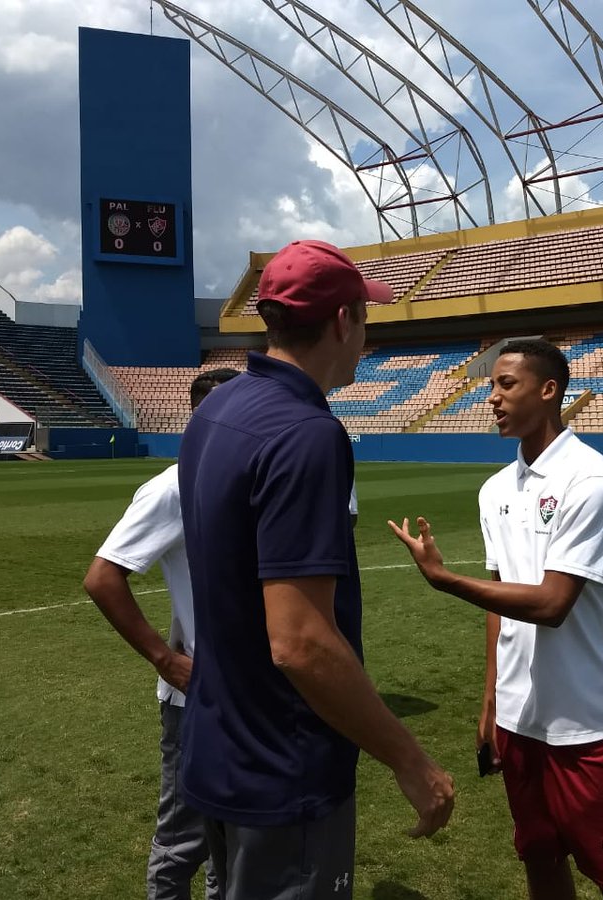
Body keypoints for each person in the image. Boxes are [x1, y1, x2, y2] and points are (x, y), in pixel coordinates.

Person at [177, 239, 455, 899]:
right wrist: (412, 762)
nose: (367, 333)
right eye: (366, 316)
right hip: (283, 769)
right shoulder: (306, 433)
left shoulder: (214, 410)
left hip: (216, 752)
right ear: (342, 321)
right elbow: (300, 642)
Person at [390, 338, 603, 900]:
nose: (491, 398)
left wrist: (445, 579)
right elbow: (501, 600)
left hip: (587, 720)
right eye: (490, 386)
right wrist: (492, 699)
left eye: (505, 385)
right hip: (519, 718)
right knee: (539, 860)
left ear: (548, 390)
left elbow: (553, 605)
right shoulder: (495, 490)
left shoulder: (590, 480)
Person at [83, 367, 240, 900]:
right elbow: (102, 577)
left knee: (232, 842)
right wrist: (163, 658)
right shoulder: (171, 487)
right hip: (192, 700)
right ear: (196, 418)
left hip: (246, 698)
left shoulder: (245, 478)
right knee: (182, 841)